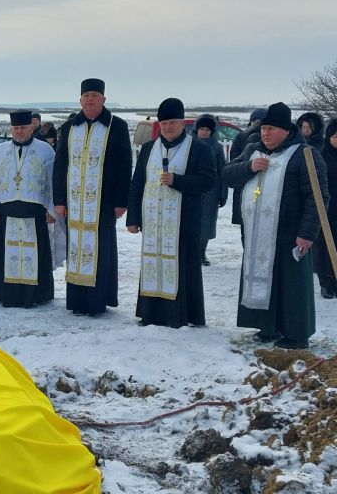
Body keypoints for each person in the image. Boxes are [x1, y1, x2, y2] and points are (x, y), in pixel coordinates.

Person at [223, 102, 329, 348]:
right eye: (263, 129)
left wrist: (307, 233)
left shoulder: (304, 154)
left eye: (271, 129)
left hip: (291, 233)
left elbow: (317, 197)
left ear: (285, 130)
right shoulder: (253, 150)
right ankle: (267, 327)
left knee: (292, 286)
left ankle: (296, 333)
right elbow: (227, 174)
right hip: (257, 231)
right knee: (264, 281)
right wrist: (248, 167)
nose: (265, 133)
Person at [127, 98, 215, 328]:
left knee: (182, 269)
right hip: (153, 222)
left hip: (183, 223)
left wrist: (178, 181)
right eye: (164, 123)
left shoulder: (198, 148)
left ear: (182, 123)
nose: (168, 127)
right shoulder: (148, 148)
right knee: (152, 265)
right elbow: (137, 184)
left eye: (173, 123)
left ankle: (180, 316)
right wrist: (133, 218)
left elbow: (208, 181)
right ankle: (150, 313)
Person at [53, 78, 132, 316]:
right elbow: (60, 165)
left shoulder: (116, 126)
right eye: (86, 95)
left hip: (103, 203)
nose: (90, 99)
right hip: (74, 204)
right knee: (75, 250)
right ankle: (77, 302)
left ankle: (99, 301)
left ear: (103, 99)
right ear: (80, 99)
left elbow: (124, 164)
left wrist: (121, 201)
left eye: (94, 95)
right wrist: (59, 200)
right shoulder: (69, 128)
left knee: (102, 251)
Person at [0, 109, 57, 308]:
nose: (19, 131)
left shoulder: (45, 151)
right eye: (15, 128)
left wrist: (52, 209)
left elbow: (53, 181)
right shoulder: (0, 151)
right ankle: (5, 294)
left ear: (32, 127)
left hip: (35, 215)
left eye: (23, 127)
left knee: (36, 256)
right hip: (6, 214)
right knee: (8, 257)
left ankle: (37, 295)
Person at [194, 114, 228, 266]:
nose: (204, 132)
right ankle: (191, 252)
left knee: (206, 225)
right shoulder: (189, 145)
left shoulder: (217, 148)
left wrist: (223, 193)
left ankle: (201, 252)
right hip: (192, 189)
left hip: (211, 192)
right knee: (190, 222)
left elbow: (223, 171)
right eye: (201, 129)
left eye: (207, 130)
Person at [230, 108, 265, 232]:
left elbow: (233, 162)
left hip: (243, 187)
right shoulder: (268, 137)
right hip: (264, 186)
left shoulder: (241, 136)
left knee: (246, 232)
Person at [314, 117, 337, 298]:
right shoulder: (321, 157)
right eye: (335, 136)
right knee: (324, 247)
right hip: (326, 209)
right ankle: (326, 282)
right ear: (329, 137)